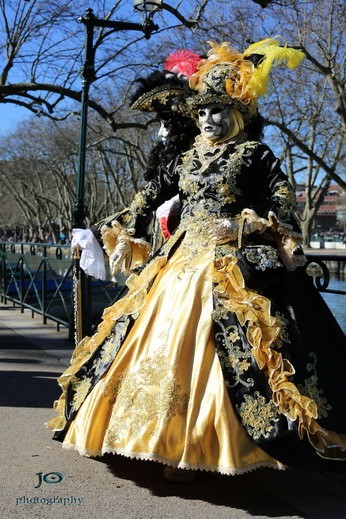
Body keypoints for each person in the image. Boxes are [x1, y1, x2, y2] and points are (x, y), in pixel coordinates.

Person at [47, 38, 346, 481]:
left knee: (228, 345)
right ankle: (156, 440)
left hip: (230, 265)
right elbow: (146, 198)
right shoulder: (185, 160)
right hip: (179, 262)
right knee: (153, 337)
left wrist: (245, 227)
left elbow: (285, 212)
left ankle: (215, 447)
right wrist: (101, 231)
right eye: (201, 112)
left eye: (217, 111)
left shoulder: (255, 155)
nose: (207, 120)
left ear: (238, 113)